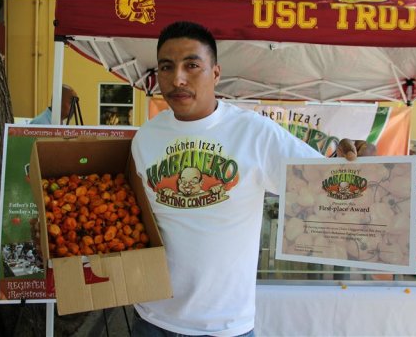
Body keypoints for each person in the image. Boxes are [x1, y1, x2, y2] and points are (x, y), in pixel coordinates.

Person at [131, 21, 374, 337]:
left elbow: (326, 184)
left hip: (225, 324)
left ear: (215, 73)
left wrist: (359, 162)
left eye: (192, 65)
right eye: (167, 67)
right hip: (152, 317)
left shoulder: (255, 133)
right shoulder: (146, 137)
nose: (178, 78)